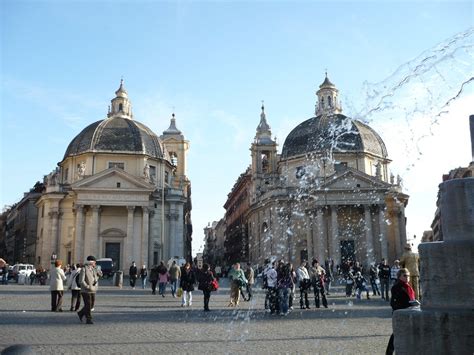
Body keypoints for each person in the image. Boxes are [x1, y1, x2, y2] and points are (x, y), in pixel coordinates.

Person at [386, 268, 417, 354]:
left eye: (408, 276)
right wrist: (408, 305)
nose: (407, 277)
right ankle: (389, 353)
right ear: (399, 276)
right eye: (405, 276)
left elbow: (411, 298)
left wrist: (414, 304)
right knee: (396, 334)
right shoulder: (396, 287)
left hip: (410, 313)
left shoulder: (409, 287)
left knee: (402, 334)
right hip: (400, 314)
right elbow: (393, 303)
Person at [77, 255, 100, 325]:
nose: (95, 263)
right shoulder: (84, 269)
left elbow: (96, 278)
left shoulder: (93, 269)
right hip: (85, 290)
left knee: (91, 304)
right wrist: (87, 286)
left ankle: (81, 313)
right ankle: (88, 319)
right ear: (91, 262)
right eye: (94, 262)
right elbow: (81, 280)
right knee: (88, 304)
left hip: (93, 289)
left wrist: (98, 274)